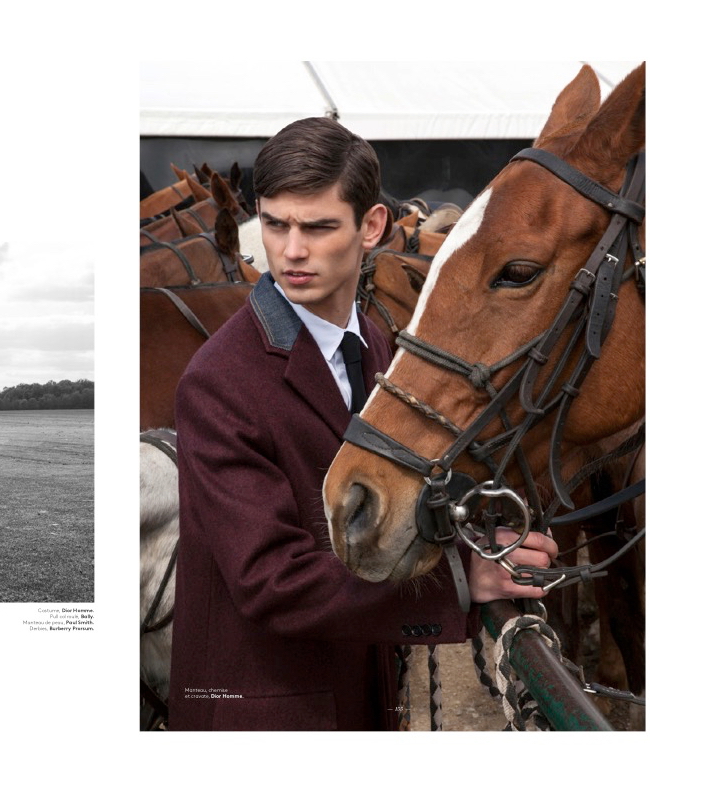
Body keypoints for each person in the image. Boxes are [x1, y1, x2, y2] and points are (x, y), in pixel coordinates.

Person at [167, 117, 558, 731]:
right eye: (275, 224)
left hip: (360, 701)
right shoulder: (218, 382)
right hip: (265, 718)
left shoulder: (376, 346)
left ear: (371, 227)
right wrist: (459, 582)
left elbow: (383, 509)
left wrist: (479, 544)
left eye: (318, 227)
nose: (292, 251)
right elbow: (271, 580)